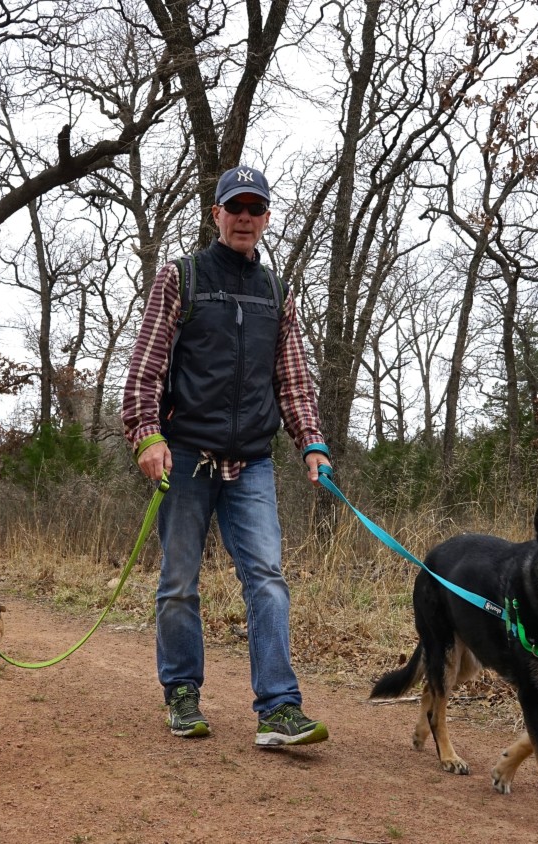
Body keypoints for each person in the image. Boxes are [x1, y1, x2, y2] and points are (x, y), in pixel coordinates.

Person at [121, 165, 333, 747]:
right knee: (179, 581)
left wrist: (311, 443)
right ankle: (183, 694)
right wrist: (147, 433)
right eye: (234, 207)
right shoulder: (180, 278)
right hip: (185, 457)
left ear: (266, 219)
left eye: (255, 209)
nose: (245, 217)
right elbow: (146, 364)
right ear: (216, 214)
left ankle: (278, 709)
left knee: (267, 578)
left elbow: (292, 380)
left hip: (253, 464)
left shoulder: (275, 291)